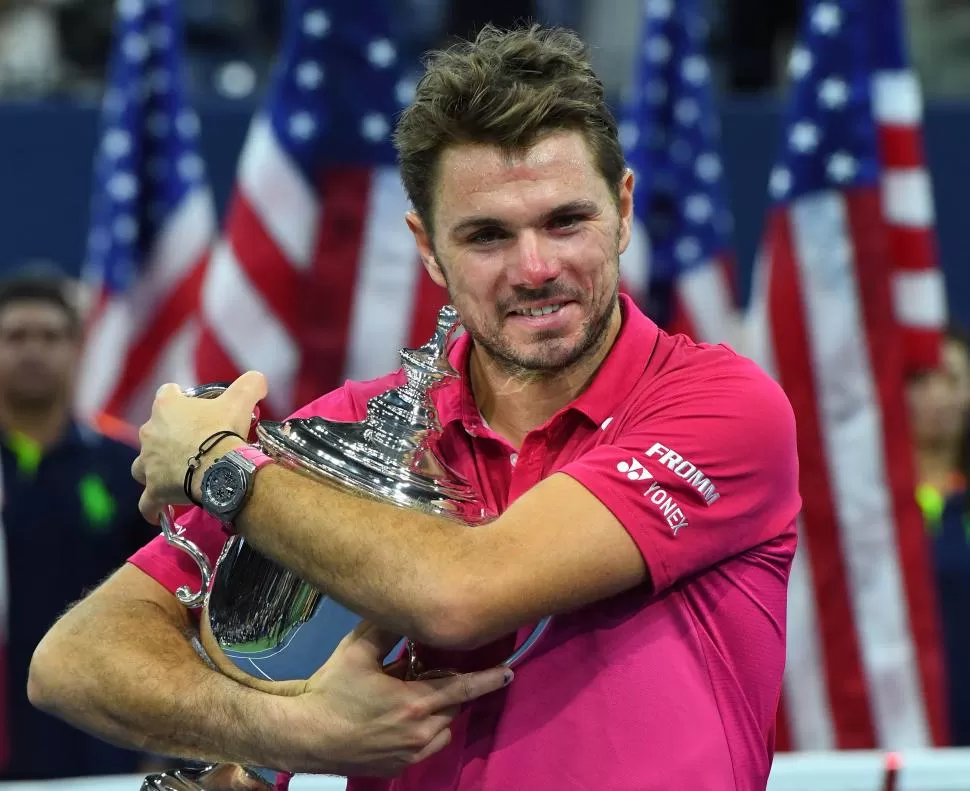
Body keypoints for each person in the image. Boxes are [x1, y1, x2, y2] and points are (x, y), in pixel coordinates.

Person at [30, 25, 801, 789]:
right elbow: (72, 659)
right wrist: (297, 730)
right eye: (487, 236)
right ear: (428, 247)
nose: (536, 267)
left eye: (567, 221)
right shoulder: (358, 427)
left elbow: (462, 595)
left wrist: (216, 468)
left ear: (624, 209)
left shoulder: (721, 407)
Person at [0, 274, 147, 779]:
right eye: (15, 337)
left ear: (78, 347)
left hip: (97, 739)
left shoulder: (126, 468)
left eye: (49, 336)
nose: (33, 351)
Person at [908, 326, 970, 745]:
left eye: (952, 380)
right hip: (901, 716)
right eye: (922, 381)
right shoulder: (867, 516)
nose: (939, 396)